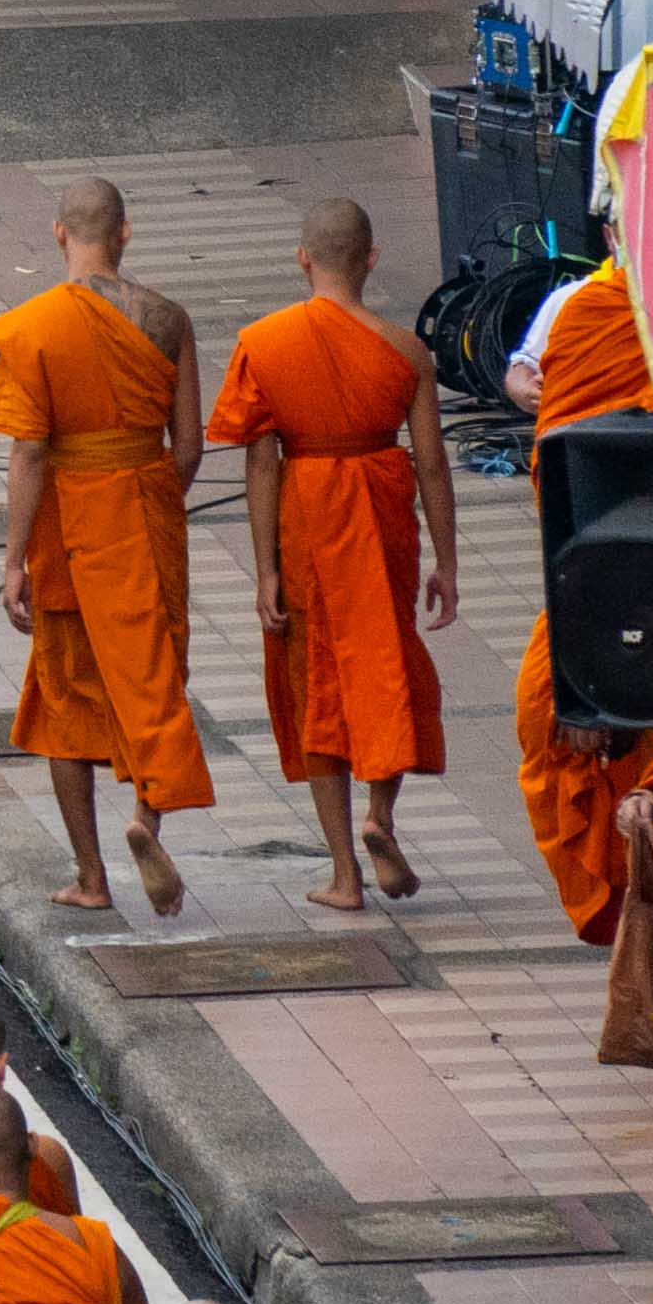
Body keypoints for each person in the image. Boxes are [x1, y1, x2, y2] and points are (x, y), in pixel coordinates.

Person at [209, 199, 449, 913]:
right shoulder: (406, 350)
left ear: (302, 259)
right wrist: (450, 561)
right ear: (371, 259)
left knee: (317, 686)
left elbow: (259, 466)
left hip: (306, 519)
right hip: (381, 514)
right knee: (385, 668)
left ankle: (344, 873)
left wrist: (267, 571)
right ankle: (382, 815)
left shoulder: (265, 342)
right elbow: (432, 464)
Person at [0, 186, 214, 918]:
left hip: (66, 526)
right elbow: (190, 449)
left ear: (59, 234)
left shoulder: (37, 327)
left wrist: (13, 560)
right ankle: (146, 823)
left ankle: (91, 878)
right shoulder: (167, 319)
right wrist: (145, 498)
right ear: (125, 234)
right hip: (144, 510)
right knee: (152, 679)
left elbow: (29, 451)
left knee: (63, 699)